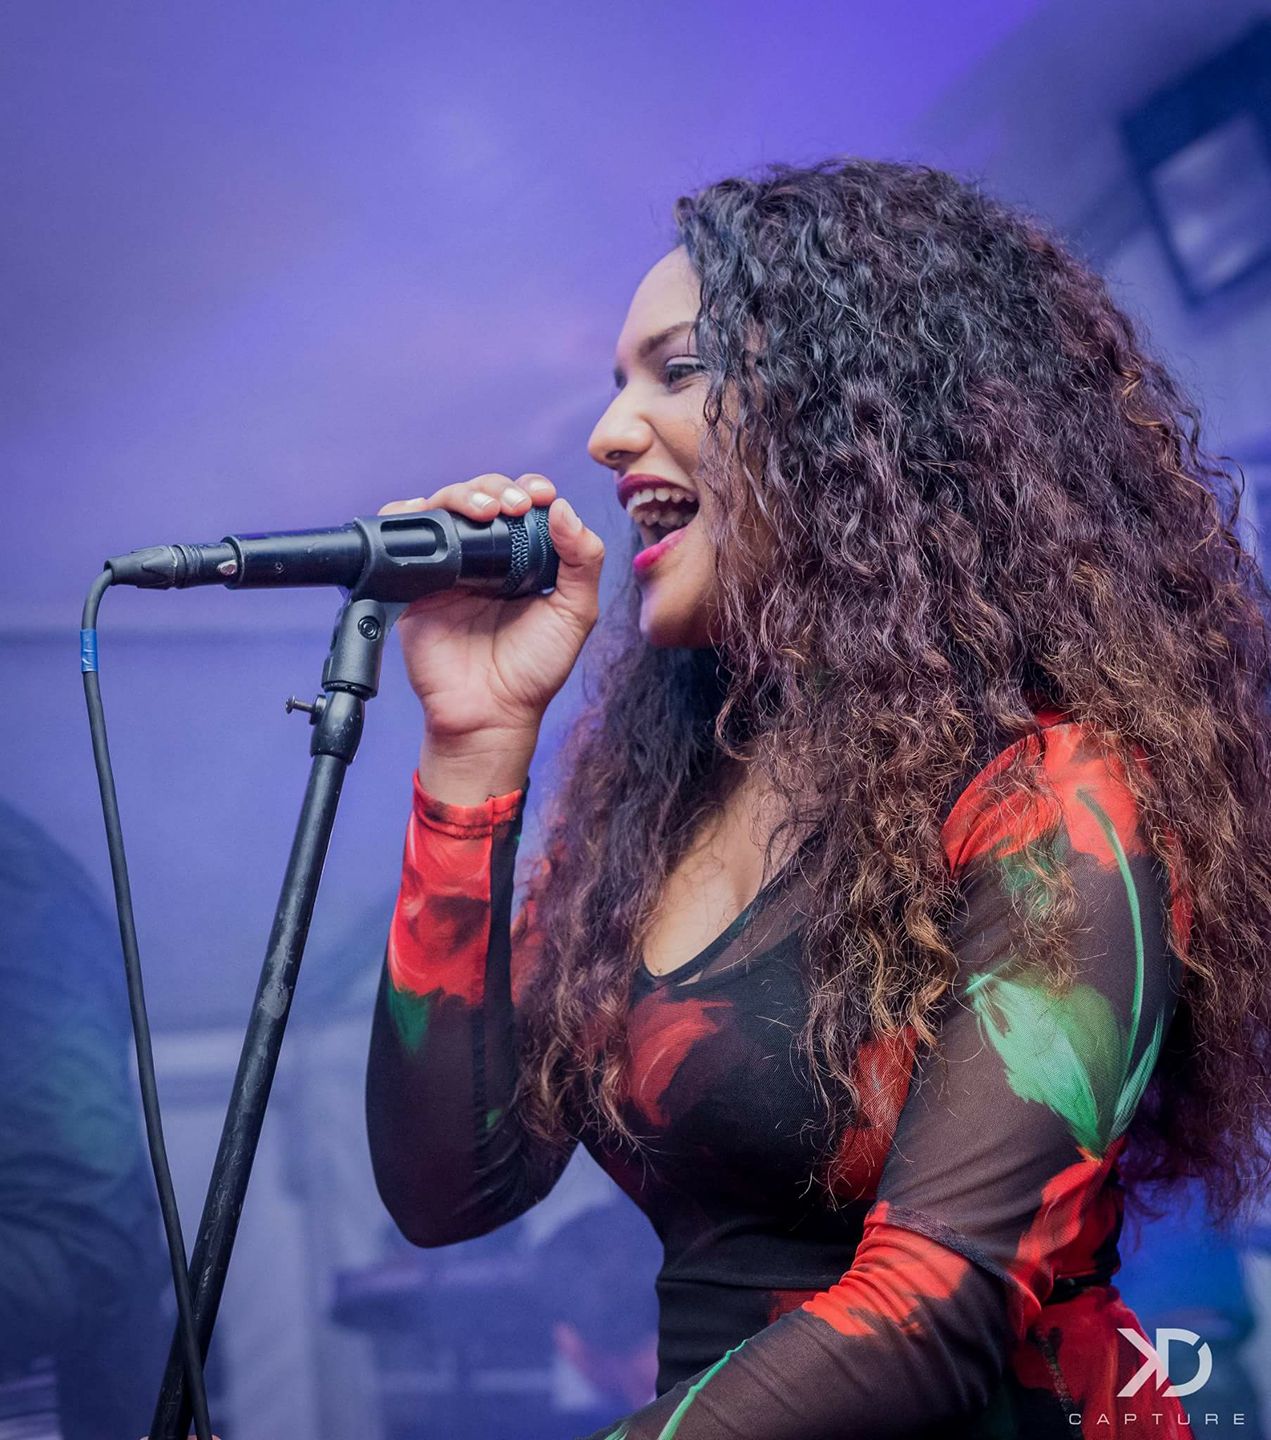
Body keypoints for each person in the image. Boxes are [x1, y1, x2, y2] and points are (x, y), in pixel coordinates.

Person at [364, 158, 1271, 1438]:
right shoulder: (654, 804)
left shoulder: (1056, 798)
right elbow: (448, 1188)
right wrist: (472, 748)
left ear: (858, 417)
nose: (608, 433)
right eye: (618, 383)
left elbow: (940, 1305)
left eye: (676, 370)